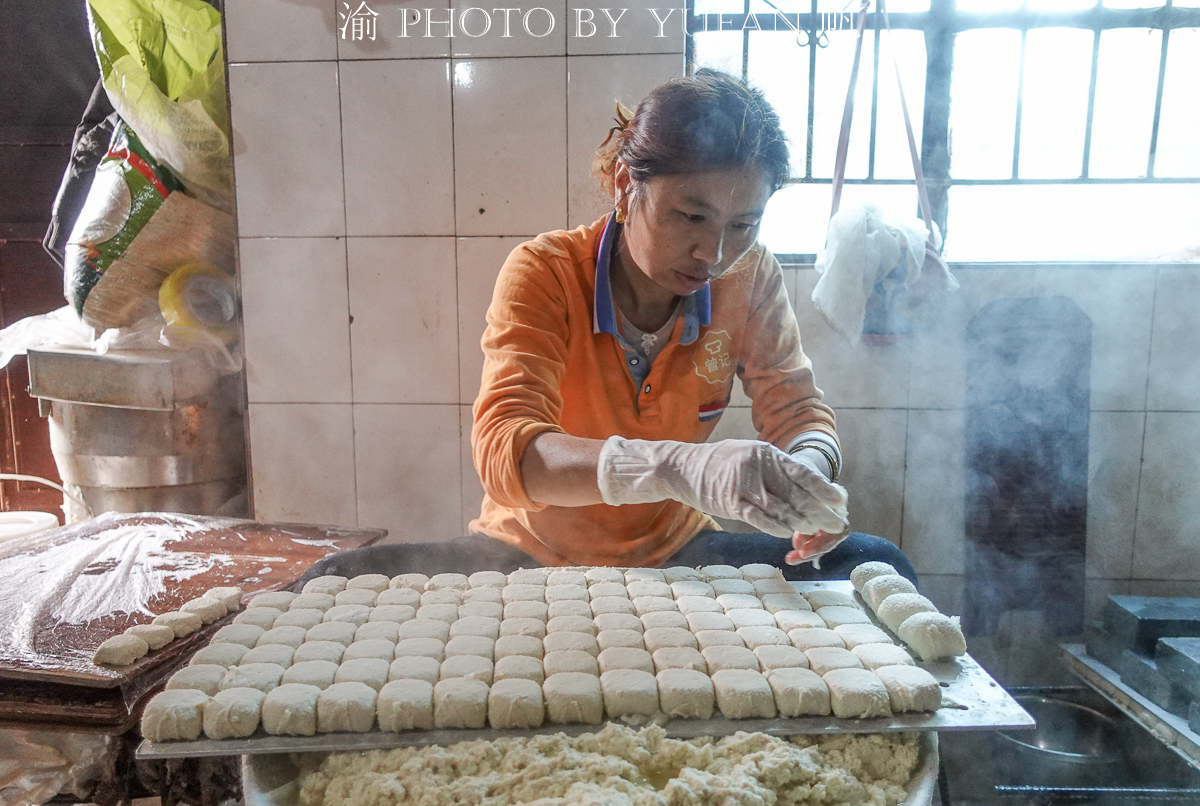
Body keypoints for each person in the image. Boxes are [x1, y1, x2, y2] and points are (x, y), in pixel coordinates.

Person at [463, 69, 916, 584]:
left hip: (673, 551)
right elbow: (507, 453)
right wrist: (677, 468)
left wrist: (805, 474)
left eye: (743, 225)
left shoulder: (747, 276)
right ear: (625, 185)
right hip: (532, 551)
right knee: (350, 577)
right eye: (690, 216)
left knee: (875, 564)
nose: (714, 254)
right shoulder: (547, 272)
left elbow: (795, 409)